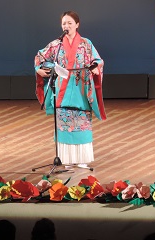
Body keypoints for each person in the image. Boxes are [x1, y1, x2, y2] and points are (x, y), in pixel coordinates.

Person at [34, 10, 106, 167]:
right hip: (63, 88)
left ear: (77, 25)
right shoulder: (56, 44)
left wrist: (95, 67)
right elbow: (40, 57)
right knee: (64, 123)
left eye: (69, 23)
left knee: (82, 122)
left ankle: (82, 159)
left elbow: (98, 60)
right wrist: (39, 68)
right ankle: (66, 159)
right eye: (64, 23)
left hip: (80, 86)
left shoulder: (86, 44)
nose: (66, 26)